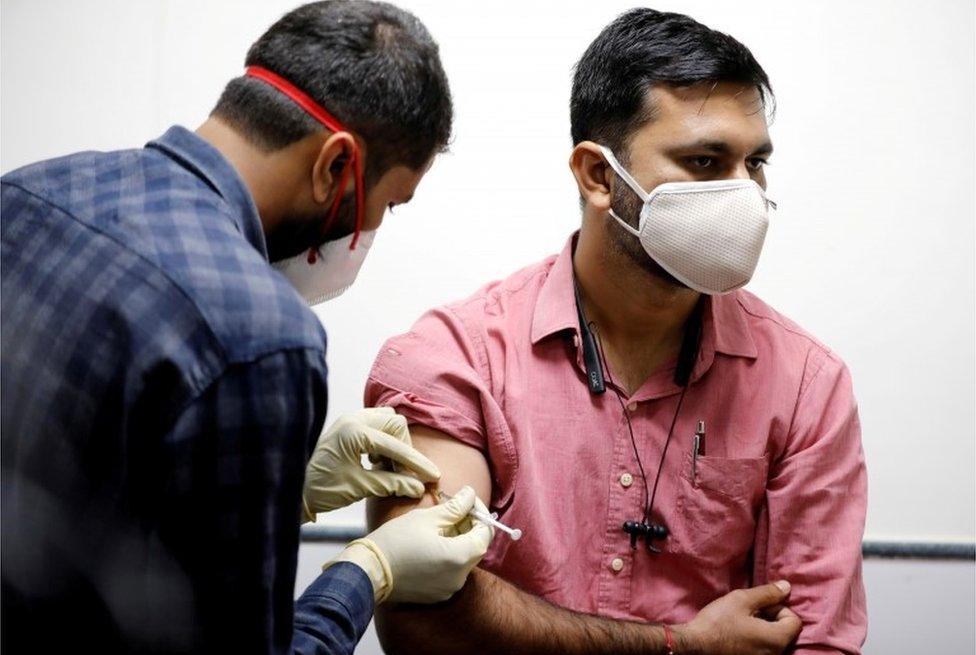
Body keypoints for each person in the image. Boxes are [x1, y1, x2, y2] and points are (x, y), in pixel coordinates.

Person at [365, 8, 867, 655]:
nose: (745, 195)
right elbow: (423, 615)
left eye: (756, 163)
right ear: (599, 176)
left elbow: (814, 639)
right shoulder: (456, 358)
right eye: (706, 161)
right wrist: (679, 645)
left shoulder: (805, 383)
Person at [0, 2, 491, 654]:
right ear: (334, 165)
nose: (372, 229)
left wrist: (296, 491)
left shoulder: (28, 193)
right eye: (389, 203)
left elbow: (96, 510)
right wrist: (367, 569)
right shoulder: (262, 335)